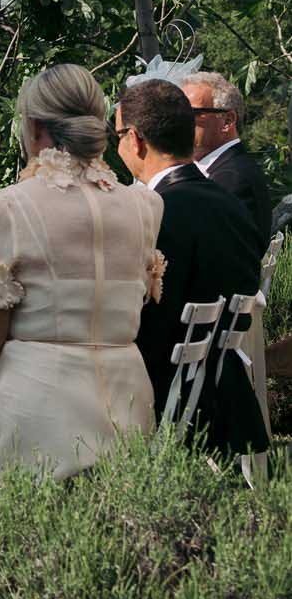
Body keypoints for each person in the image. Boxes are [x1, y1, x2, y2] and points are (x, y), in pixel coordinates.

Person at [0, 63, 164, 477]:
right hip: (128, 410)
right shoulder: (146, 205)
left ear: (34, 127)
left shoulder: (3, 206)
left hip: (34, 417)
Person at [122, 78, 269, 458]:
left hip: (162, 391)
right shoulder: (227, 202)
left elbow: (147, 326)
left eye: (118, 133)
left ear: (136, 140)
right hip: (218, 387)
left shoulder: (158, 214)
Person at [181, 71, 275, 246]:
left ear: (227, 121)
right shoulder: (222, 170)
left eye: (191, 113)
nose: (179, 121)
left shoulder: (232, 178)